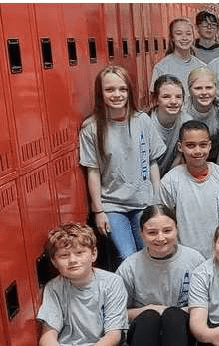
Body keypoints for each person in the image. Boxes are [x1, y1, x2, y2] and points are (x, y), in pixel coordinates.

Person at [80, 65, 166, 265]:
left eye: (122, 89)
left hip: (143, 201)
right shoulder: (92, 129)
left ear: (129, 91)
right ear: (100, 93)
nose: (117, 94)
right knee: (126, 257)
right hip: (113, 205)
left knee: (149, 254)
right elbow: (92, 171)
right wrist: (98, 211)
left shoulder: (142, 120)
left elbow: (152, 161)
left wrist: (156, 197)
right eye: (109, 90)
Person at [116, 204, 206, 346]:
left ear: (177, 229)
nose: (160, 238)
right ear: (141, 233)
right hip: (144, 331)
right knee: (149, 317)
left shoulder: (195, 260)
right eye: (152, 232)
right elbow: (116, 312)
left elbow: (208, 304)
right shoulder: (129, 267)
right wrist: (147, 310)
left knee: (173, 316)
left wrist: (167, 311)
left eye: (167, 230)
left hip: (183, 331)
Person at [160, 120, 219, 257]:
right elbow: (163, 224)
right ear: (180, 147)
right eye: (191, 145)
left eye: (203, 145)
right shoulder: (170, 182)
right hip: (185, 258)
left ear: (210, 146)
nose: (197, 151)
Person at [37, 222, 128, 346]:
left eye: (79, 253)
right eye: (64, 255)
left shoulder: (112, 282)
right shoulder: (54, 288)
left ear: (93, 254)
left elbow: (113, 335)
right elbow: (48, 335)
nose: (73, 260)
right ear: (54, 262)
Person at [184, 67, 219, 167]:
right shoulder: (183, 111)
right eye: (198, 88)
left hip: (215, 159)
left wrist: (217, 177)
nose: (204, 93)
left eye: (209, 88)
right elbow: (180, 152)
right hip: (187, 159)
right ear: (189, 90)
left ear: (216, 88)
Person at [149, 74, 192, 177]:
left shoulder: (186, 121)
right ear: (156, 99)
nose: (173, 102)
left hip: (169, 177)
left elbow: (179, 157)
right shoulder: (146, 122)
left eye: (178, 97)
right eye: (166, 97)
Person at [150, 17, 206, 94]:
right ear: (172, 37)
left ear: (193, 37)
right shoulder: (161, 68)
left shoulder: (202, 67)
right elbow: (155, 100)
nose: (184, 38)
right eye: (179, 34)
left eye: (188, 34)